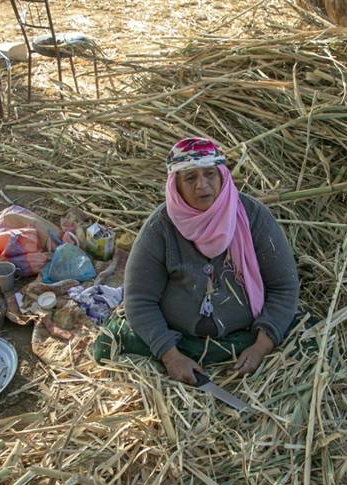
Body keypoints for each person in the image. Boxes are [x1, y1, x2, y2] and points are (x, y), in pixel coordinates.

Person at [93, 137, 299, 384]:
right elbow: (139, 299)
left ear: (222, 176)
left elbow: (284, 287)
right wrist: (170, 356)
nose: (202, 185)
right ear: (176, 186)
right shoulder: (160, 228)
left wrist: (261, 347)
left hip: (245, 337)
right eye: (190, 178)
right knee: (109, 344)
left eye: (209, 174)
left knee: (306, 343)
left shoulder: (253, 217)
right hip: (180, 340)